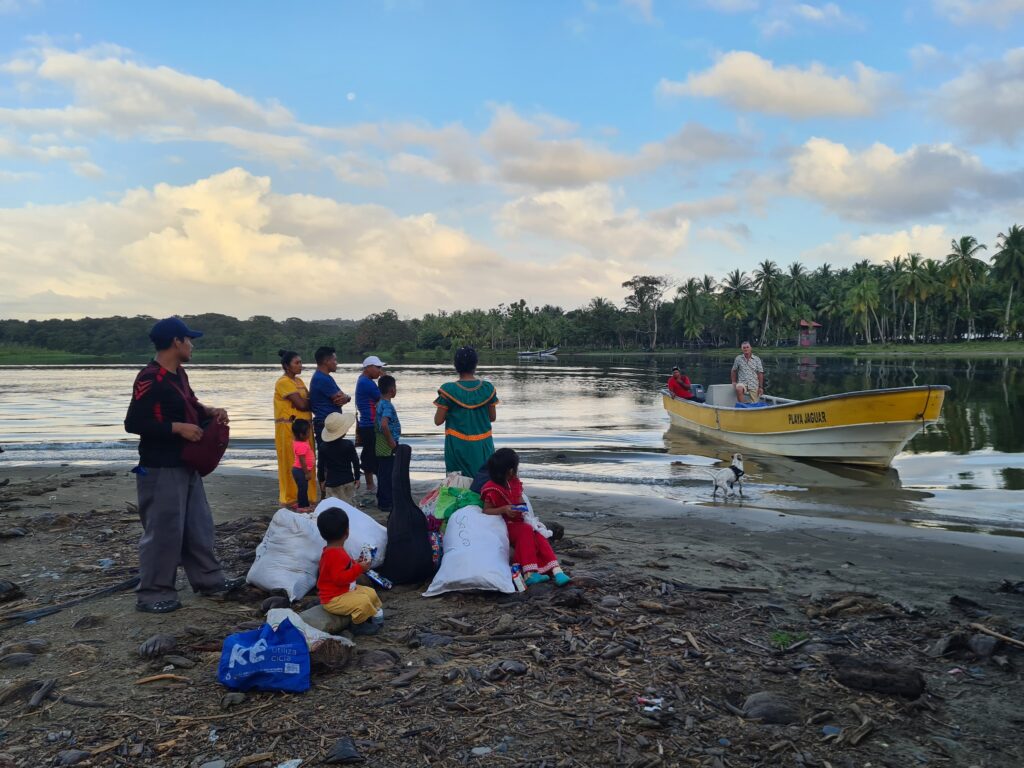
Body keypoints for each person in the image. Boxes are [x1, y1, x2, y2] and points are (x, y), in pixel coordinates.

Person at [124, 317, 242, 614]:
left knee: (197, 525)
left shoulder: (180, 374)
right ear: (176, 341)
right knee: (164, 531)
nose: (192, 345)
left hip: (185, 463)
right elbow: (134, 423)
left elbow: (191, 402)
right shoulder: (149, 377)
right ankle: (152, 593)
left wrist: (210, 410)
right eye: (189, 340)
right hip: (160, 466)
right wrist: (177, 428)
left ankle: (208, 579)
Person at [481, 448, 570, 587]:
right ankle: (530, 573)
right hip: (505, 524)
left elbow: (519, 498)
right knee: (526, 530)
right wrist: (503, 509)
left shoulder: (514, 482)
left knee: (538, 536)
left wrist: (520, 507)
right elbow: (486, 510)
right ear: (510, 471)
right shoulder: (492, 488)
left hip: (518, 521)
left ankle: (556, 570)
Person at [433, 346, 499, 481]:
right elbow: (492, 418)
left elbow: (438, 421)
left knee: (458, 483)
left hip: (457, 445)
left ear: (456, 366)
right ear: (475, 365)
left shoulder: (448, 390)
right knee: (483, 480)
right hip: (483, 444)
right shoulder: (487, 388)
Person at [315, 506, 384, 635]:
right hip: (333, 598)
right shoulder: (335, 554)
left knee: (370, 593)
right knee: (362, 602)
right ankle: (358, 624)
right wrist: (359, 568)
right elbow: (339, 579)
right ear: (347, 532)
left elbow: (345, 565)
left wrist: (356, 564)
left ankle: (372, 614)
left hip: (344, 591)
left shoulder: (336, 550)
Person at [274, 350, 317, 508]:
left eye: (300, 362)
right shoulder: (283, 382)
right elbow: (302, 404)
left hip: (305, 427)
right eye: (297, 363)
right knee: (291, 463)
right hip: (288, 429)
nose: (301, 366)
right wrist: (313, 400)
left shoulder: (299, 382)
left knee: (309, 460)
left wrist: (310, 400)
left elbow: (307, 401)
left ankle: (309, 498)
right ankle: (291, 499)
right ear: (286, 366)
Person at [308, 346, 351, 477]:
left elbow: (342, 397)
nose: (336, 363)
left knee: (330, 460)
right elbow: (338, 397)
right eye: (335, 360)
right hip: (326, 424)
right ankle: (327, 492)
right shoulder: (322, 379)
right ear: (327, 361)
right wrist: (346, 398)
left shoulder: (326, 377)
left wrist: (347, 397)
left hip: (330, 423)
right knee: (329, 462)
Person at [355, 356, 385, 493]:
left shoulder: (364, 381)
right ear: (369, 368)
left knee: (371, 453)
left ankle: (371, 483)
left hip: (368, 423)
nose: (380, 370)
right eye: (378, 368)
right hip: (370, 424)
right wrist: (385, 381)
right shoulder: (366, 383)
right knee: (371, 454)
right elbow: (385, 396)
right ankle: (370, 484)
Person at [318, 412, 361, 504]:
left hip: (331, 482)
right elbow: (355, 462)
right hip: (347, 480)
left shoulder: (323, 447)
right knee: (349, 506)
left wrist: (321, 480)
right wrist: (357, 477)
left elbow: (320, 466)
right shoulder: (348, 444)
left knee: (334, 507)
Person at [374, 375, 400, 513]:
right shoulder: (387, 405)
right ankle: (386, 502)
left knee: (383, 472)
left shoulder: (379, 403)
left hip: (381, 445)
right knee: (388, 474)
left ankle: (381, 498)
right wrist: (391, 442)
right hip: (388, 445)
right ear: (392, 390)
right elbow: (384, 425)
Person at [291, 419, 314, 512]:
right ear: (301, 435)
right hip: (301, 470)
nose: (309, 434)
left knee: (302, 488)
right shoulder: (301, 445)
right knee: (303, 489)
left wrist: (309, 426)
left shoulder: (299, 441)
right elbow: (302, 461)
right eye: (308, 432)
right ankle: (302, 506)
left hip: (298, 470)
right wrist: (307, 473)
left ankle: (302, 503)